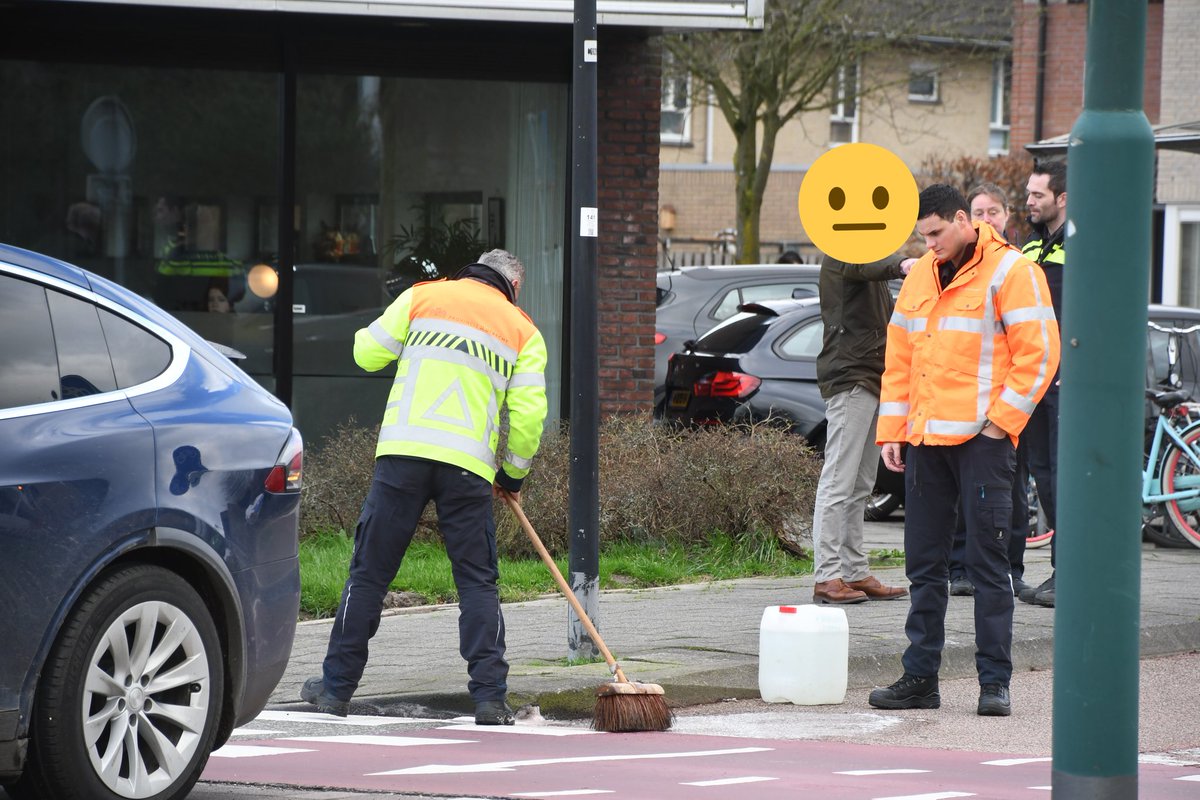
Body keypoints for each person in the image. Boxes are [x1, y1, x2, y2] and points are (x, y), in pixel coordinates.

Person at [302, 249, 548, 725]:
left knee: (369, 574)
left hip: (403, 457)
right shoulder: (523, 330)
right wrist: (512, 475)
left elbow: (366, 352)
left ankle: (335, 690)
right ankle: (490, 699)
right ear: (513, 286)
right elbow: (530, 415)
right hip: (466, 468)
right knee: (477, 581)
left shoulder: (421, 297)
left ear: (474, 268)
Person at [869, 185, 1059, 717]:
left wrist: (1001, 425)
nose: (929, 245)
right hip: (927, 439)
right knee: (924, 565)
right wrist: (892, 431)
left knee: (988, 565)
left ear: (961, 219)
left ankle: (994, 683)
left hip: (983, 442)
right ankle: (920, 678)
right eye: (923, 237)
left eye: (935, 233)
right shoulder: (922, 278)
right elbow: (900, 360)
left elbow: (1040, 353)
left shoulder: (1012, 270)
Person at [811, 252, 913, 605]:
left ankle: (854, 570)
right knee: (838, 480)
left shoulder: (865, 255)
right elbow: (864, 266)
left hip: (872, 376)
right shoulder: (842, 253)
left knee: (861, 484)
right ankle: (826, 576)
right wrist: (902, 264)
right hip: (851, 378)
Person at [947, 183, 1033, 600]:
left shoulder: (1015, 265)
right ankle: (961, 568)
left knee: (1013, 493)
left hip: (1009, 405)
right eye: (977, 210)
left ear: (1007, 215)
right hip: (969, 411)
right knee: (966, 499)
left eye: (992, 211)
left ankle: (1010, 569)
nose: (985, 218)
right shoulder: (955, 268)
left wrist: (1003, 418)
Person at [1017, 159, 1067, 608]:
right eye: (1028, 194)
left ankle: (1070, 572)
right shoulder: (1031, 248)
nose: (1028, 201)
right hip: (1037, 378)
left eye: (1037, 195)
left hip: (1067, 381)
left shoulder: (1084, 246)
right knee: (1044, 475)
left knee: (1064, 475)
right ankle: (1061, 571)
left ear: (1062, 199)